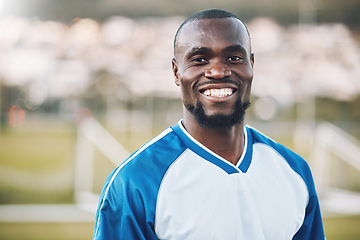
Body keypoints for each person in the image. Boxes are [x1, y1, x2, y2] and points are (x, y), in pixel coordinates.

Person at [93, 9, 325, 240]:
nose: (217, 71)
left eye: (234, 58)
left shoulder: (294, 171)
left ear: (251, 64)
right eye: (199, 60)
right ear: (176, 71)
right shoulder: (134, 182)